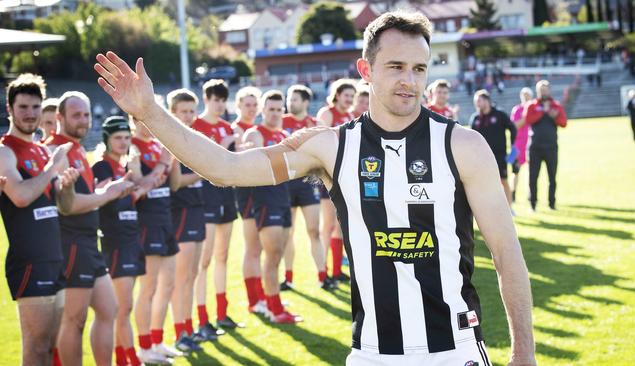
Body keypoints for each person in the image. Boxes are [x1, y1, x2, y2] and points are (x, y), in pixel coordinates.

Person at [94, 10, 536, 365]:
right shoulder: (330, 146)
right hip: (373, 354)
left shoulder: (464, 145)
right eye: (396, 66)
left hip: (454, 350)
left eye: (419, 68)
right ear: (366, 69)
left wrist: (524, 355)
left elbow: (506, 254)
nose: (409, 80)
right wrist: (150, 112)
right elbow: (225, 168)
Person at [46, 91, 134, 366]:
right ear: (59, 118)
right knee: (75, 320)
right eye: (76, 115)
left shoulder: (77, 149)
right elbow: (68, 205)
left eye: (86, 114)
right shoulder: (56, 151)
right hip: (70, 243)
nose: (83, 121)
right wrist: (109, 192)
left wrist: (108, 191)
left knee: (110, 309)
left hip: (87, 243)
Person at [0, 73, 78, 366]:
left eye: (35, 107)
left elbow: (65, 207)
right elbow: (20, 196)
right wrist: (52, 168)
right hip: (29, 261)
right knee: (35, 347)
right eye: (23, 107)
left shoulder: (43, 151)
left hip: (54, 257)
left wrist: (66, 186)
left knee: (48, 348)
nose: (30, 113)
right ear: (9, 109)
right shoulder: (4, 151)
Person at [91, 116, 163, 366]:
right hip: (116, 241)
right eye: (117, 138)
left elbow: (127, 199)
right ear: (106, 140)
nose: (123, 142)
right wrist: (133, 181)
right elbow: (105, 197)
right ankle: (130, 359)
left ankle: (125, 359)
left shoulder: (122, 167)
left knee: (125, 307)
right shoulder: (102, 166)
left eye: (126, 137)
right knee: (122, 307)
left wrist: (144, 185)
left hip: (131, 238)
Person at [243, 90, 301, 323]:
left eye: (279, 110)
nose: (275, 113)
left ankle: (272, 301)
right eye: (271, 109)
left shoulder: (286, 134)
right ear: (263, 111)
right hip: (264, 198)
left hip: (283, 196)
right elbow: (257, 163)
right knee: (271, 253)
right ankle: (274, 309)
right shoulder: (255, 133)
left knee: (278, 253)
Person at [130, 111, 183, 362]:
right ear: (133, 120)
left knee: (168, 284)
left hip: (165, 220)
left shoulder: (158, 145)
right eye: (143, 118)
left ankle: (158, 339)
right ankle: (144, 346)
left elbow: (173, 185)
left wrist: (171, 159)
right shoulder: (131, 147)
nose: (148, 123)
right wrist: (162, 162)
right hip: (145, 224)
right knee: (148, 288)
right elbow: (139, 186)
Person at [191, 79, 242, 333]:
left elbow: (234, 162)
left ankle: (222, 313)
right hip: (204, 198)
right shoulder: (195, 126)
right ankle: (202, 319)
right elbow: (203, 163)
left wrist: (240, 146)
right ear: (206, 99)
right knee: (204, 260)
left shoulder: (226, 127)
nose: (220, 105)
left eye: (223, 100)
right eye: (215, 100)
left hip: (226, 195)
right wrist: (224, 145)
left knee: (223, 257)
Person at [280, 84, 334, 291]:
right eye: (289, 98)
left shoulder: (314, 124)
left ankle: (323, 276)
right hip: (285, 183)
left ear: (305, 102)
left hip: (307, 183)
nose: (290, 102)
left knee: (314, 231)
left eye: (294, 99)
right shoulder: (281, 121)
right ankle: (288, 277)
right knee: (288, 232)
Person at [166, 89, 206, 351]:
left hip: (197, 209)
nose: (190, 116)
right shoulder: (170, 140)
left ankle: (189, 328)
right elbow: (177, 182)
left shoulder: (193, 138)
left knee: (192, 275)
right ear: (172, 113)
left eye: (192, 111)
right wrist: (204, 172)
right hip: (179, 213)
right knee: (181, 278)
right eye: (184, 111)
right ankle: (180, 333)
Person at [231, 87, 267, 315]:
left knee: (259, 248)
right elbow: (233, 156)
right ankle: (254, 300)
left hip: (261, 191)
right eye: (247, 105)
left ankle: (261, 296)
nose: (252, 109)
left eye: (255, 105)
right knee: (252, 247)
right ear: (238, 106)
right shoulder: (235, 129)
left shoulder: (259, 128)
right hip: (245, 192)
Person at [316, 79, 356, 283]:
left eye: (352, 96)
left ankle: (336, 270)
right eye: (346, 95)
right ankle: (322, 272)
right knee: (328, 225)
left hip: (345, 176)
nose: (349, 99)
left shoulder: (350, 115)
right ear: (337, 95)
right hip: (328, 175)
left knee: (341, 225)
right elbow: (320, 142)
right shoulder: (327, 113)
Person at [470, 89, 517, 208]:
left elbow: (513, 128)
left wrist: (512, 147)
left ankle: (509, 208)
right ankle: (488, 208)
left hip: (499, 155)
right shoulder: (475, 118)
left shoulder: (499, 114)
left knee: (503, 180)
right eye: (476, 102)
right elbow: (470, 137)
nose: (477, 104)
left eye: (479, 101)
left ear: (487, 101)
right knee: (483, 183)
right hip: (481, 157)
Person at [524, 80, 567, 211]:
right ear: (537, 91)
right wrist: (543, 111)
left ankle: (552, 203)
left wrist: (555, 115)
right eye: (540, 90)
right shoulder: (532, 105)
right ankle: (533, 204)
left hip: (551, 147)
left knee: (552, 177)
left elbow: (564, 123)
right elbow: (528, 120)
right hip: (535, 148)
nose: (543, 92)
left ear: (549, 90)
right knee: (533, 177)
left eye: (545, 89)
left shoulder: (556, 105)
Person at [510, 87, 534, 202]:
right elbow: (515, 125)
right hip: (516, 144)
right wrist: (526, 116)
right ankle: (512, 194)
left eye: (527, 94)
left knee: (531, 171)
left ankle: (531, 195)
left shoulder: (534, 108)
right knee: (514, 171)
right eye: (523, 94)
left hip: (530, 143)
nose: (525, 97)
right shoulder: (517, 109)